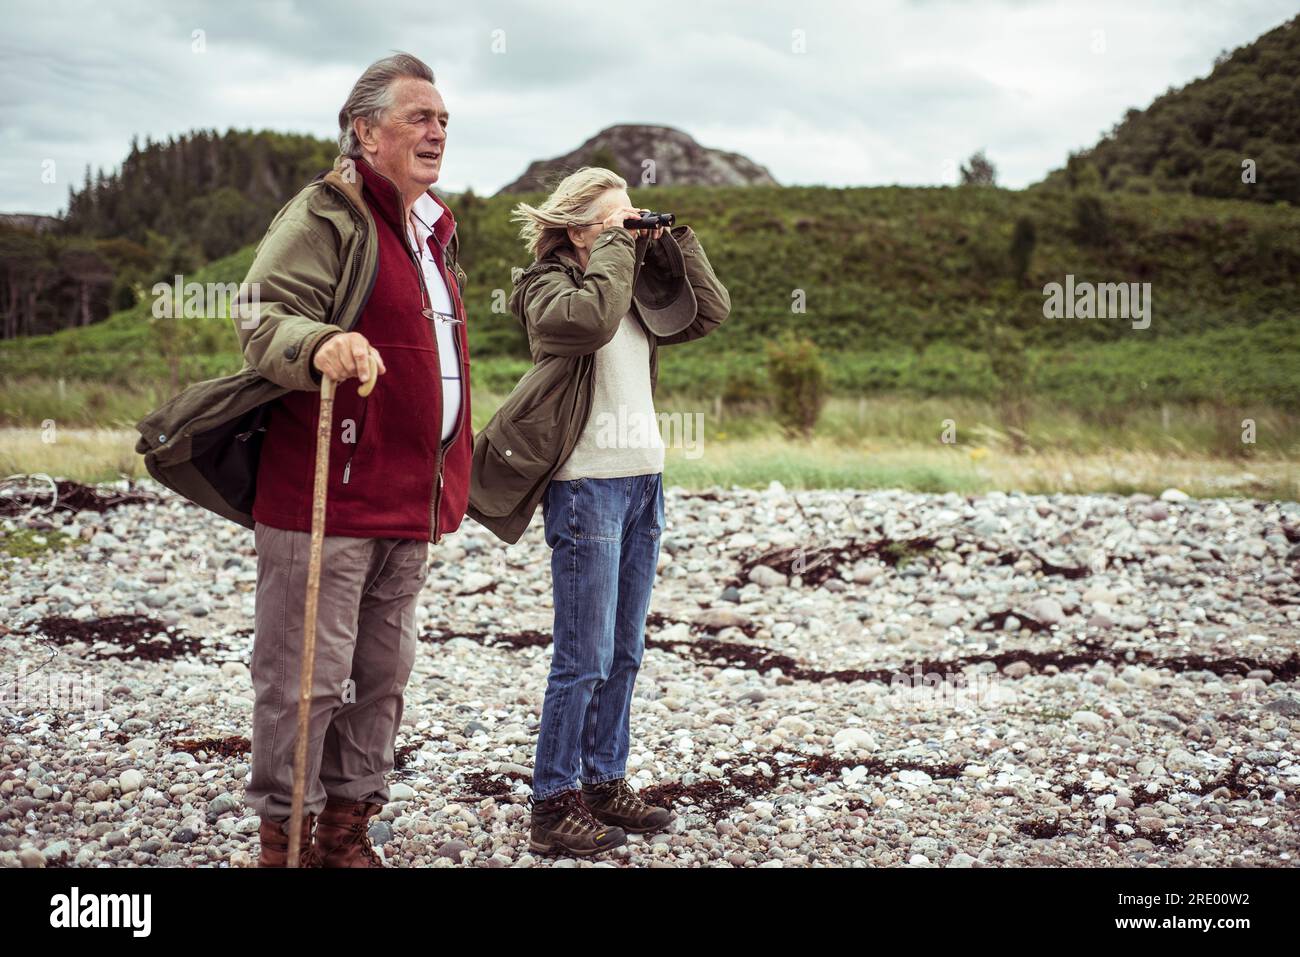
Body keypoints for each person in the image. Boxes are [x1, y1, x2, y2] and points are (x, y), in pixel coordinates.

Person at [135, 52, 473, 866]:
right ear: (366, 130)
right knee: (305, 678)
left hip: (407, 496)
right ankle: (284, 841)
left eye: (444, 120)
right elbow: (262, 315)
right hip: (327, 488)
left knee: (381, 678)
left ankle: (347, 837)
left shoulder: (434, 232)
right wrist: (321, 342)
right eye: (419, 117)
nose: (437, 132)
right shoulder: (326, 212)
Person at [467, 166, 730, 855]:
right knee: (582, 656)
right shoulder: (547, 288)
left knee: (625, 650)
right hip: (586, 483)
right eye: (616, 221)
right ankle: (554, 803)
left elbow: (708, 311)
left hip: (644, 480)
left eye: (631, 219)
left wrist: (672, 243)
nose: (629, 231)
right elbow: (587, 321)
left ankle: (606, 781)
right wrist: (616, 246)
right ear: (581, 229)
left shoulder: (629, 284)